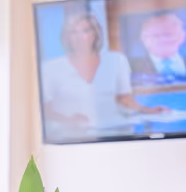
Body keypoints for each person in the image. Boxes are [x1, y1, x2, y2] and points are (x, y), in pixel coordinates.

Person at [39, 10, 158, 139]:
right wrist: (68, 120)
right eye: (73, 32)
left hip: (113, 132)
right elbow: (45, 109)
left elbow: (123, 98)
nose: (80, 37)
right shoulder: (50, 68)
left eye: (86, 31)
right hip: (71, 137)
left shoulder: (116, 60)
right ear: (66, 37)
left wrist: (145, 109)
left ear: (95, 33)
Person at [127, 10, 186, 84]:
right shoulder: (129, 69)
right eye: (155, 35)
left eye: (168, 34)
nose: (162, 40)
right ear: (144, 39)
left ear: (182, 36)